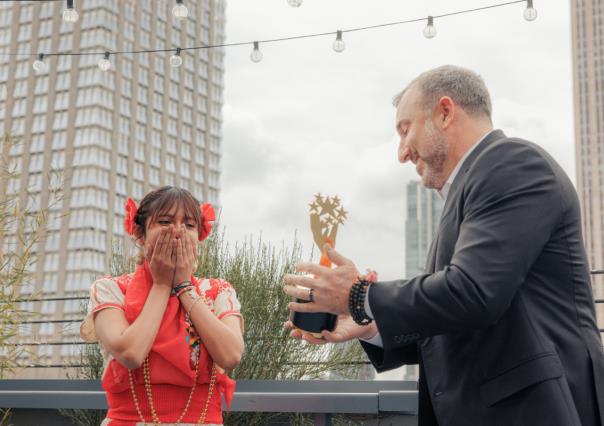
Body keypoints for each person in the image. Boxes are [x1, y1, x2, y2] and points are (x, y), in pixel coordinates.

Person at [284, 65, 604, 426]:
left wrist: (360, 296)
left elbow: (473, 293)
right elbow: (456, 322)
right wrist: (369, 324)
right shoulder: (473, 187)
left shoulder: (512, 165)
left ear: (446, 112)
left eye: (405, 130)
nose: (402, 153)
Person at [80, 186, 244, 426]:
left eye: (188, 225)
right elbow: (130, 353)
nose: (177, 231)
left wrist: (184, 287)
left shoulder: (218, 290)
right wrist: (161, 285)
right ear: (140, 233)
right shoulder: (111, 289)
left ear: (199, 236)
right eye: (165, 221)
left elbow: (230, 355)